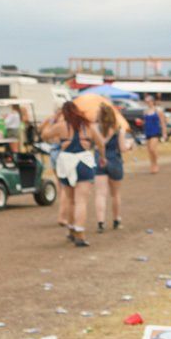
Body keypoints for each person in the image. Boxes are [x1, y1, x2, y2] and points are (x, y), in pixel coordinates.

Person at [41, 101, 106, 247]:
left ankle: (71, 230)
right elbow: (101, 143)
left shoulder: (61, 126)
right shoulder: (89, 126)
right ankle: (80, 233)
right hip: (84, 162)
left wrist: (49, 121)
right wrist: (102, 157)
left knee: (71, 200)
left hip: (66, 163)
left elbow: (45, 135)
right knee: (81, 201)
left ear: (64, 113)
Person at [93, 103, 129, 233]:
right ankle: (116, 220)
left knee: (100, 194)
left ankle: (100, 223)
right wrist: (129, 146)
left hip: (99, 161)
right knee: (115, 194)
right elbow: (123, 148)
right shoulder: (119, 129)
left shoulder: (94, 128)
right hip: (114, 161)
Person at [141, 96, 167, 174]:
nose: (147, 103)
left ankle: (155, 164)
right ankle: (152, 165)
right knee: (149, 151)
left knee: (152, 149)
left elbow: (162, 123)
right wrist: (141, 122)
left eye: (149, 101)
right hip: (147, 131)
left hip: (155, 131)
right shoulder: (145, 111)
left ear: (153, 101)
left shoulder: (158, 111)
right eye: (146, 101)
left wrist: (164, 133)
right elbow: (145, 122)